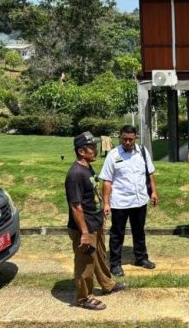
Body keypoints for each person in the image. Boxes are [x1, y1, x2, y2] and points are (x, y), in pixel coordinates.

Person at [65, 131, 119, 310]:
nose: (95, 150)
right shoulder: (75, 174)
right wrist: (85, 233)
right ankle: (84, 298)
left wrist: (103, 206)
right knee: (85, 264)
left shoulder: (87, 167)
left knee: (100, 257)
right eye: (91, 147)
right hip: (84, 227)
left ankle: (107, 284)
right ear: (81, 151)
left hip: (95, 222)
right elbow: (76, 206)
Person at [100, 125, 159, 277]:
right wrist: (106, 203)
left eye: (130, 140)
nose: (127, 142)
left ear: (135, 138)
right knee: (117, 234)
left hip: (139, 200)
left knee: (139, 231)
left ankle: (141, 258)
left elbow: (150, 173)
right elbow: (107, 181)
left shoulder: (143, 152)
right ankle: (115, 264)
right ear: (119, 137)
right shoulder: (113, 155)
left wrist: (154, 192)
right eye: (124, 139)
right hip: (120, 202)